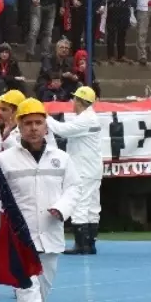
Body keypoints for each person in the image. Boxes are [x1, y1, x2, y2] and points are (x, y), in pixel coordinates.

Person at [0, 98, 78, 302]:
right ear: (18, 126)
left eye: (38, 123)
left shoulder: (62, 159)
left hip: (51, 232)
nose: (33, 128)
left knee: (43, 288)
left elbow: (74, 188)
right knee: (27, 285)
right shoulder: (5, 160)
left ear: (46, 126)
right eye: (28, 123)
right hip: (20, 235)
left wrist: (62, 209)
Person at [48, 86, 103, 255]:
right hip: (92, 167)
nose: (72, 102)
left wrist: (44, 117)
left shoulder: (86, 119)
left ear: (80, 101)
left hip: (83, 168)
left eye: (74, 99)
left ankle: (81, 245)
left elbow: (62, 131)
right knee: (92, 206)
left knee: (80, 204)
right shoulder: (90, 117)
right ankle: (90, 243)